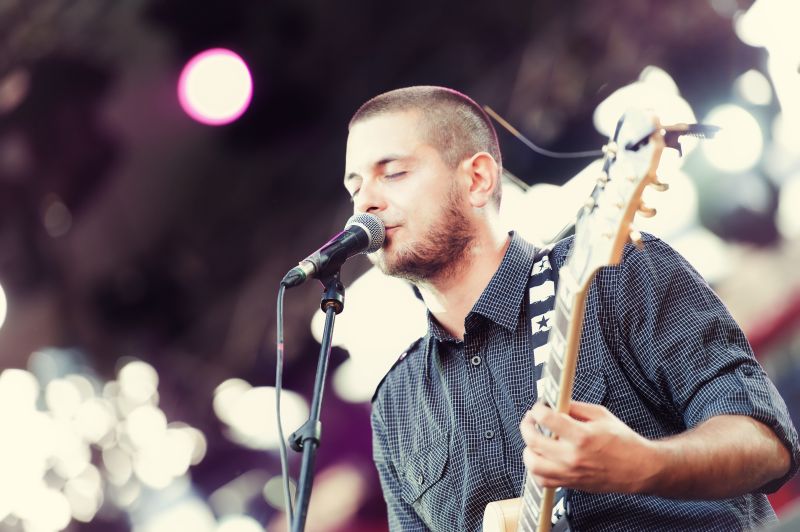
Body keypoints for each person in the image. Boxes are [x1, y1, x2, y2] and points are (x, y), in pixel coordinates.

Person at [343, 85, 799, 531]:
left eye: (393, 172)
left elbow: (766, 442)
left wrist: (645, 464)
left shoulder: (615, 272)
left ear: (477, 179)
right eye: (355, 186)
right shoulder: (395, 405)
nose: (365, 203)